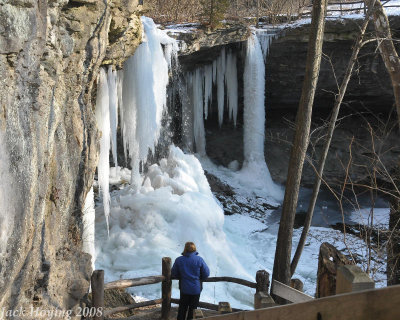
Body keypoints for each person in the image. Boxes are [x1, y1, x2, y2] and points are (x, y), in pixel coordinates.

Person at [171, 242, 210, 320]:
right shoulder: (199, 259)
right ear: (194, 249)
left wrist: (181, 276)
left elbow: (174, 273)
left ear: (185, 249)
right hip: (196, 289)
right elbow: (206, 274)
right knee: (192, 310)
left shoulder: (179, 260)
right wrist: (199, 277)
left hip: (184, 288)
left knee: (182, 309)